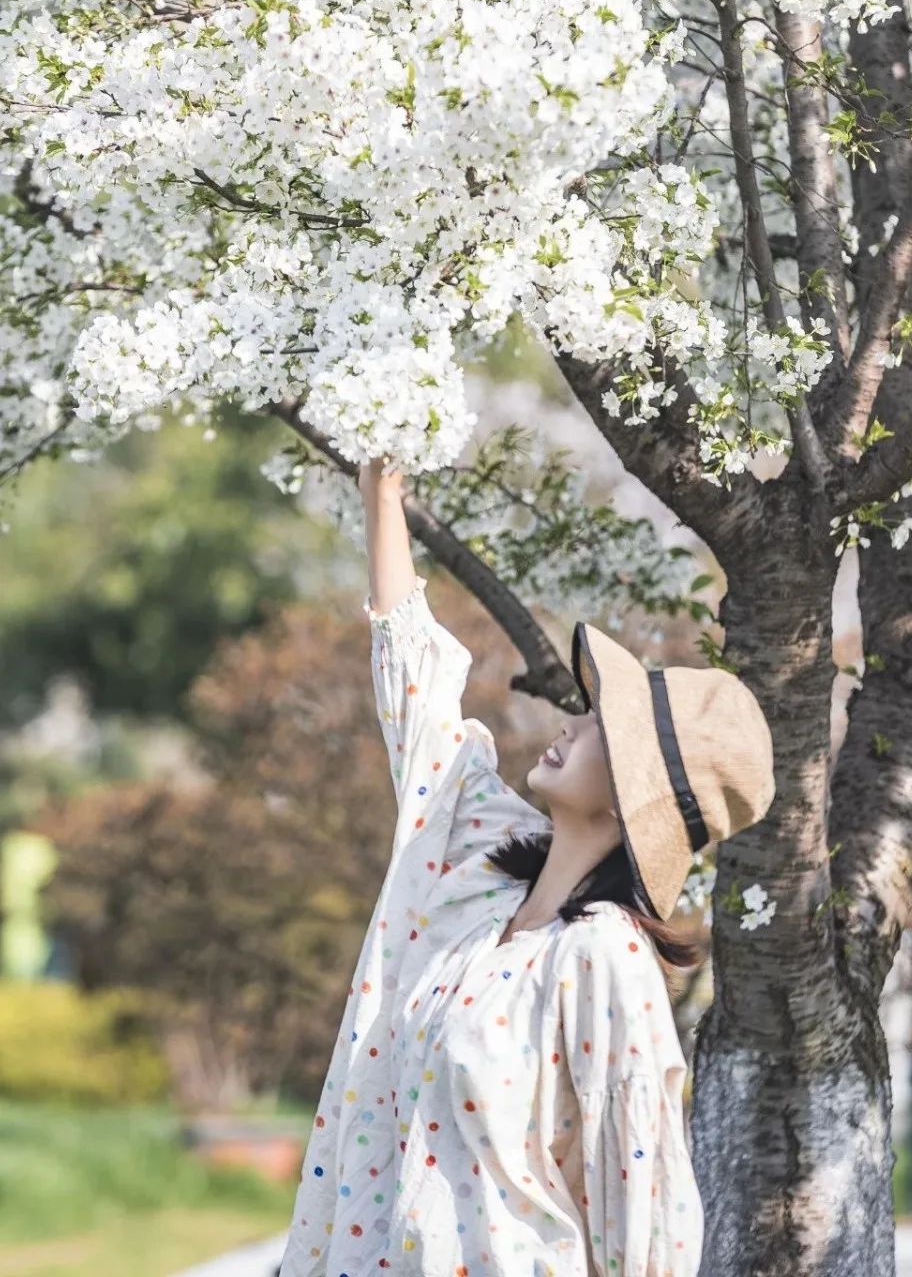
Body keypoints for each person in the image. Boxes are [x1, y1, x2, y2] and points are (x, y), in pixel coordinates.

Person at [277, 456, 776, 1276]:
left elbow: (640, 1197)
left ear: (631, 800)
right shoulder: (482, 882)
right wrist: (382, 493)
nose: (570, 725)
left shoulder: (603, 957)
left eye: (597, 729)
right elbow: (421, 712)